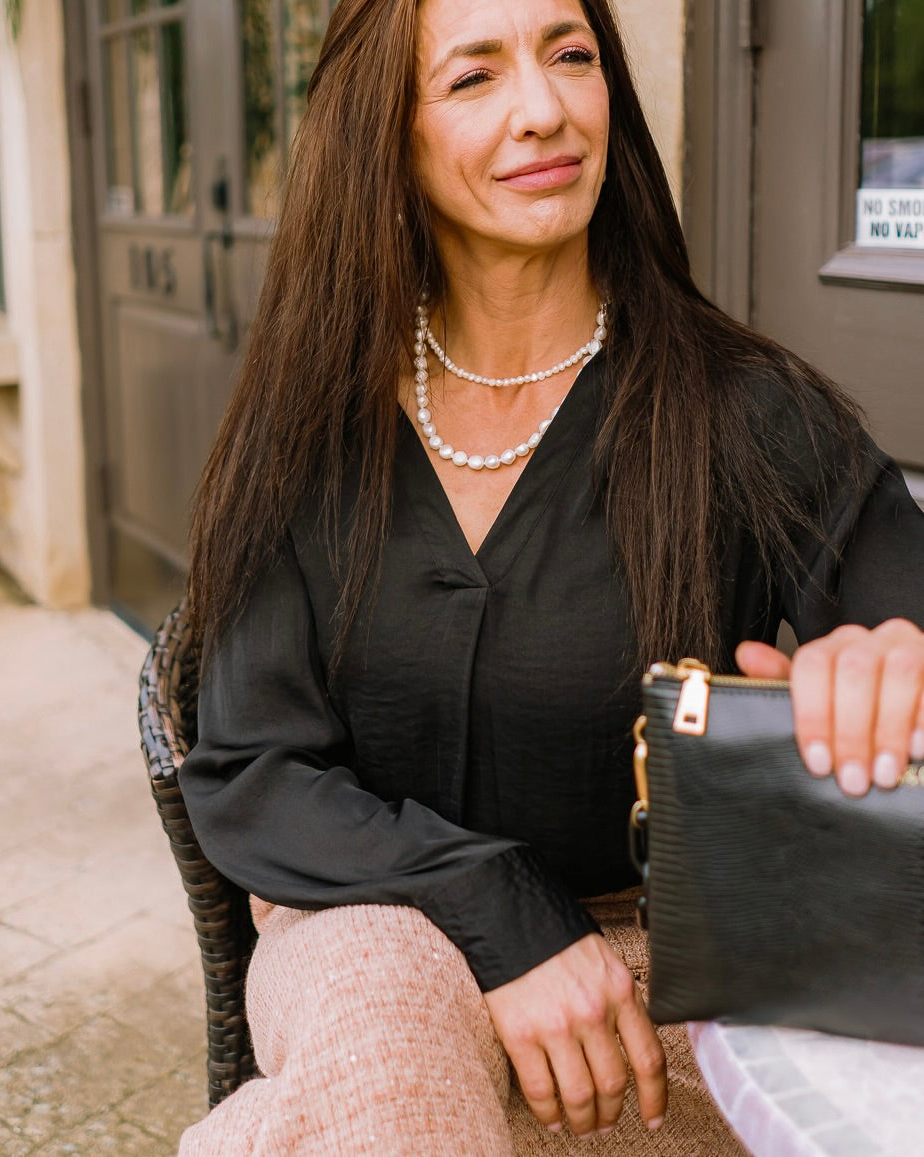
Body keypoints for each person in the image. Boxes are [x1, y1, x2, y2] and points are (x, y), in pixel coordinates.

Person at [176, 0, 924, 1151]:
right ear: (386, 134)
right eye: (472, 77)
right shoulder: (308, 417)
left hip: (660, 950)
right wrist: (500, 911)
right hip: (363, 911)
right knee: (383, 1039)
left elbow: (908, 631)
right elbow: (251, 768)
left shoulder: (745, 410)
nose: (541, 109)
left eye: (569, 56)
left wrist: (891, 664)